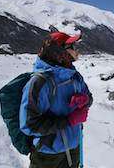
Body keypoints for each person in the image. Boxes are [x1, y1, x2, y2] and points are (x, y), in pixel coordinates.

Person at [19, 32, 93, 168]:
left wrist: (85, 100)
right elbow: (29, 125)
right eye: (72, 46)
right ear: (58, 52)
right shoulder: (40, 83)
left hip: (74, 148)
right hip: (48, 155)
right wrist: (69, 121)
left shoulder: (75, 77)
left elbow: (90, 98)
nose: (77, 51)